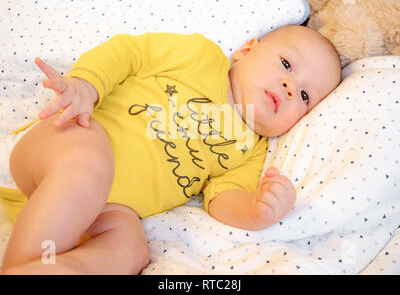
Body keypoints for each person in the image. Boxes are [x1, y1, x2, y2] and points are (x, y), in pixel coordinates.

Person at [0, 25, 341, 274]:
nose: (290, 86)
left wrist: (256, 209)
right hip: (66, 142)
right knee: (88, 164)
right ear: (246, 50)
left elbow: (223, 197)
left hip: (100, 212)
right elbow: (129, 53)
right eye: (286, 65)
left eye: (305, 96)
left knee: (131, 248)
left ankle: (56, 269)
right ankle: (23, 263)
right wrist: (87, 85)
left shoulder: (252, 150)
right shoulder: (200, 57)